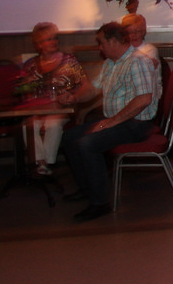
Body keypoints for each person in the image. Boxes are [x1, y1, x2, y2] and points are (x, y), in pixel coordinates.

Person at [57, 22, 160, 222]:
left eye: (101, 42)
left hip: (137, 124)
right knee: (69, 137)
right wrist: (74, 97)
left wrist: (110, 122)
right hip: (120, 121)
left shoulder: (137, 61)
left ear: (113, 41)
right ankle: (87, 188)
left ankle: (100, 202)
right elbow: (93, 89)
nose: (99, 47)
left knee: (87, 144)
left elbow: (144, 99)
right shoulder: (111, 63)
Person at [17, 22, 86, 175]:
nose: (54, 42)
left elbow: (84, 85)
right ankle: (41, 163)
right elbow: (22, 91)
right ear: (39, 44)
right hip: (38, 110)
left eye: (55, 38)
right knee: (28, 125)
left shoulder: (69, 61)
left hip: (63, 109)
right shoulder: (30, 65)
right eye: (49, 39)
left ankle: (46, 163)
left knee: (53, 123)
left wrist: (73, 97)